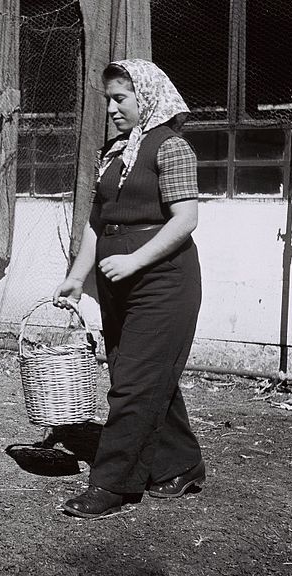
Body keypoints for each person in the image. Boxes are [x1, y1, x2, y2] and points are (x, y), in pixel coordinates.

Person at [53, 59, 205, 518]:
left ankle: (111, 483)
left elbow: (186, 219)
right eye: (108, 100)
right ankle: (182, 465)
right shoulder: (113, 152)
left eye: (121, 98)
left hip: (164, 282)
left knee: (135, 382)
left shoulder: (171, 147)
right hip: (117, 282)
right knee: (136, 375)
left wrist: (136, 258)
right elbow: (95, 225)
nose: (112, 108)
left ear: (148, 96)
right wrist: (78, 277)